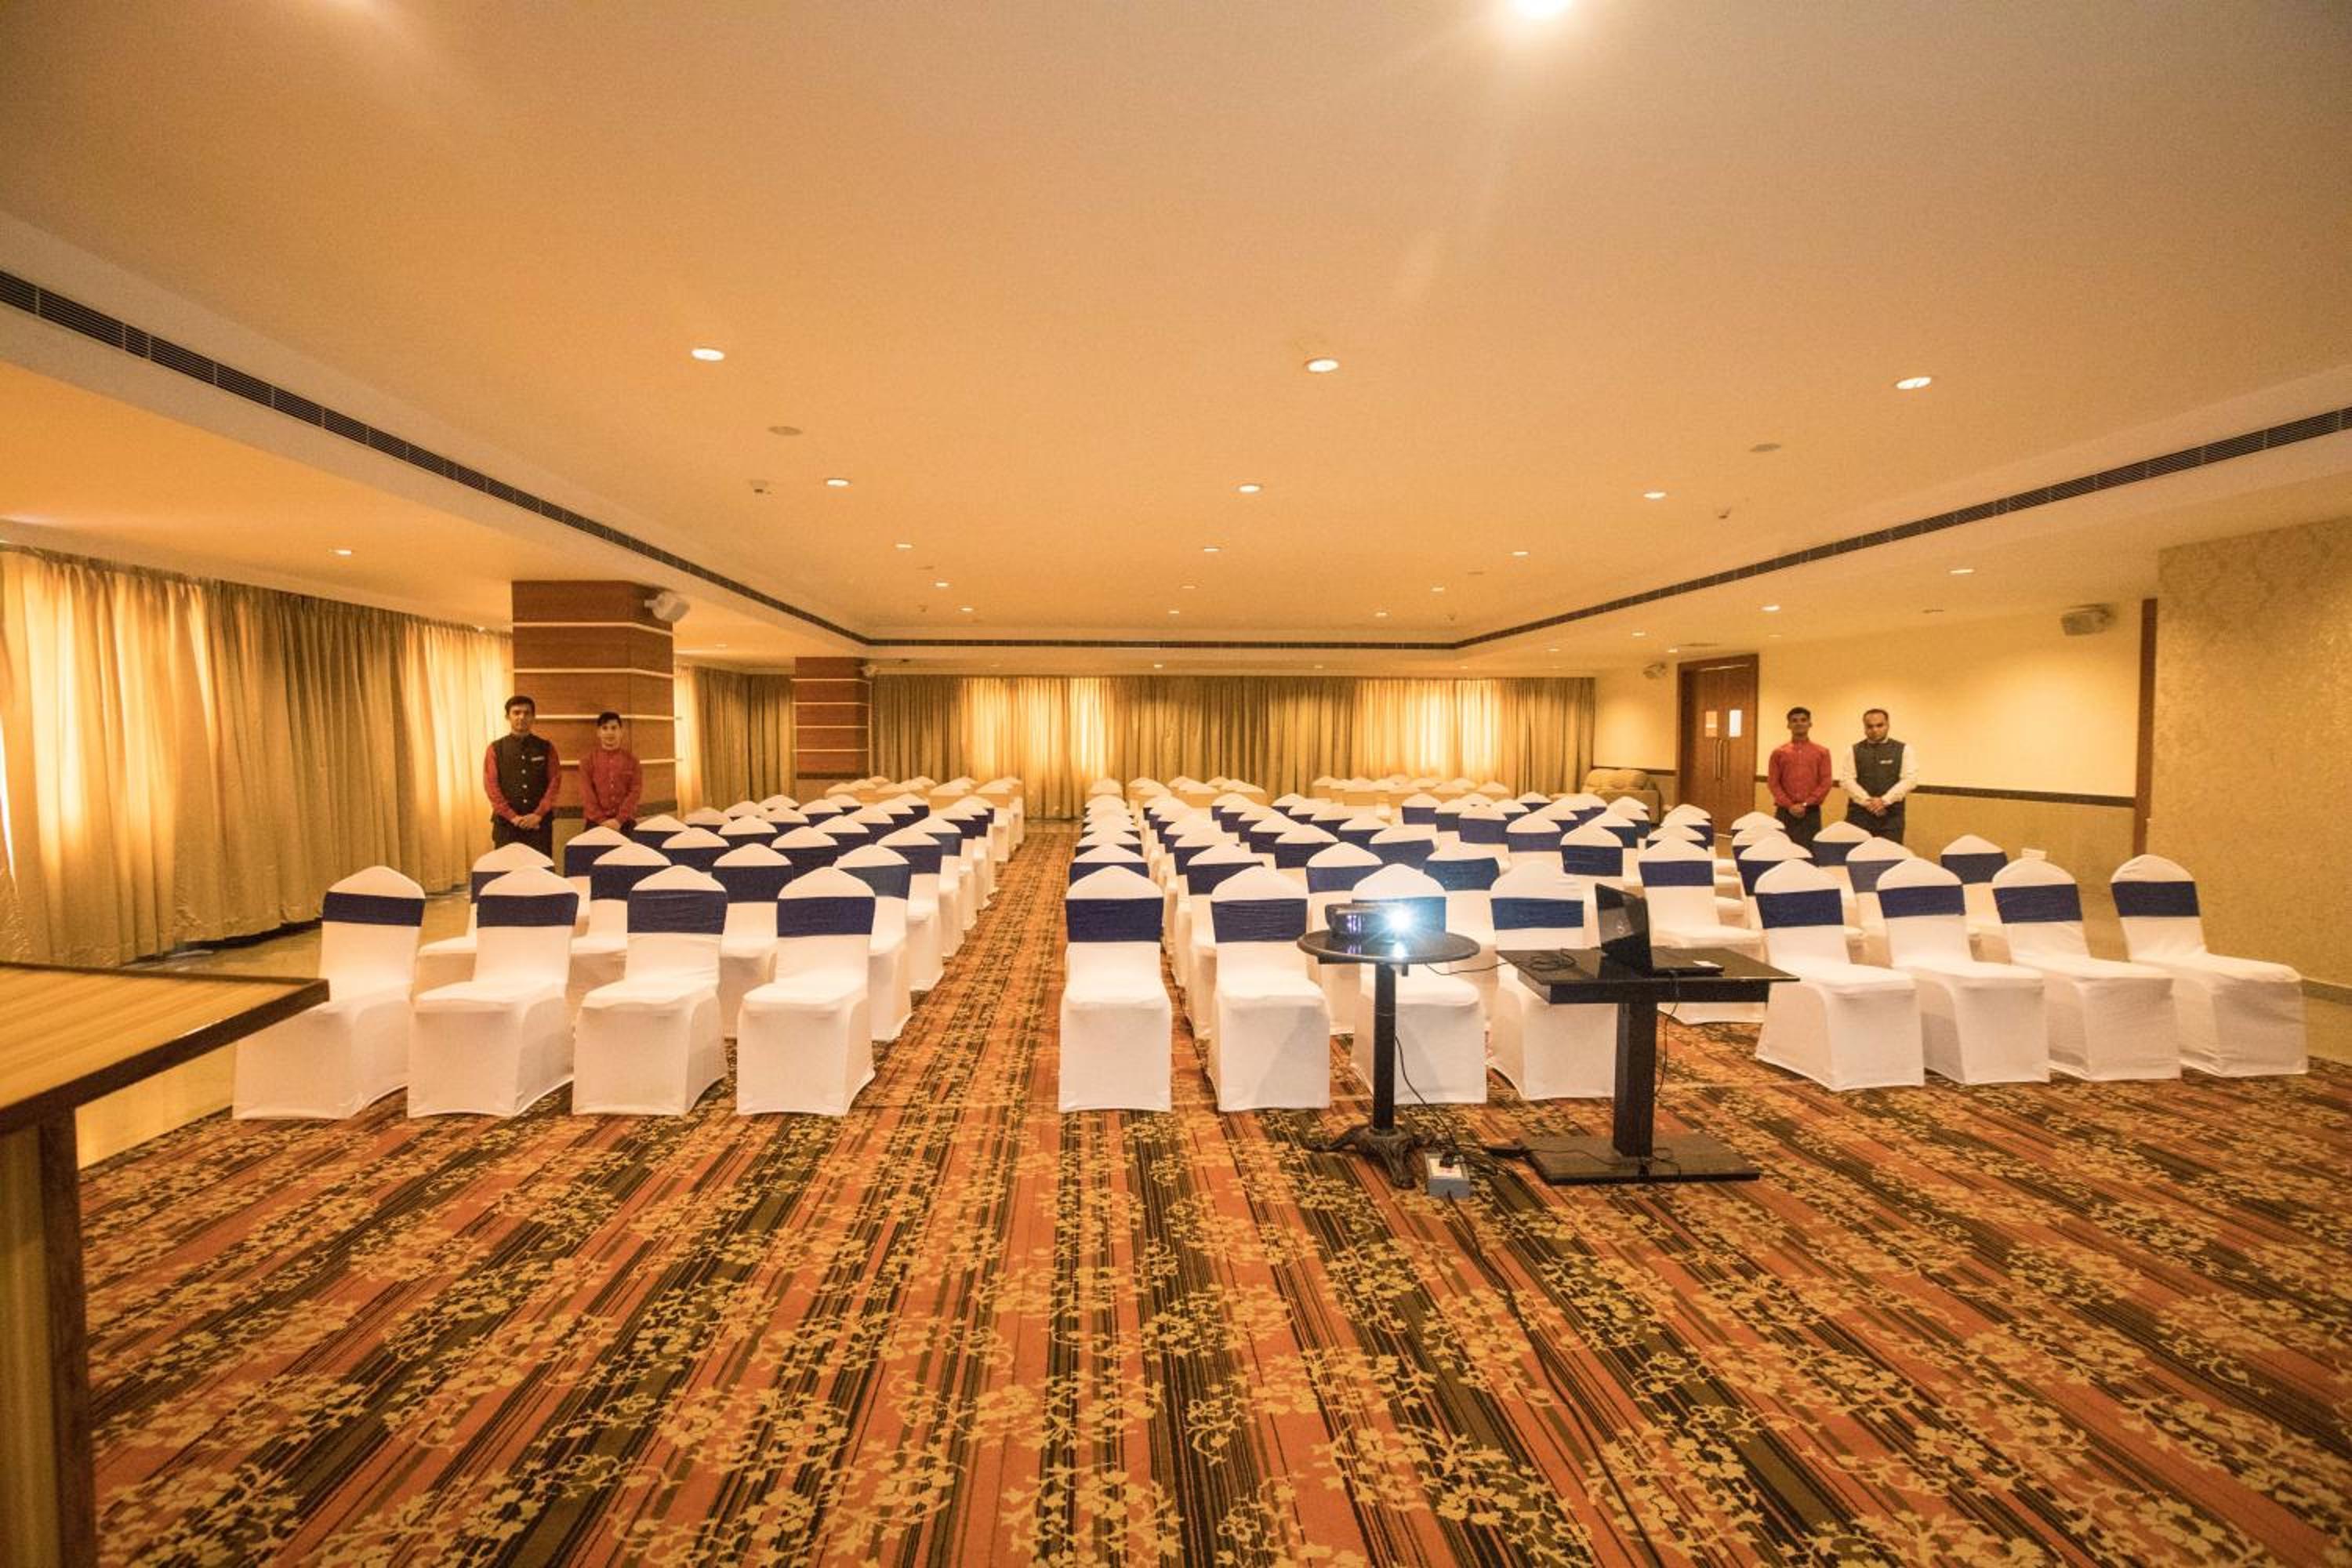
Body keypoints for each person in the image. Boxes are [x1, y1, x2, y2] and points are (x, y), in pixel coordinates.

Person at [484, 694, 560, 856]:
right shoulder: (496, 749)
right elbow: (491, 787)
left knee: (540, 869)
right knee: (506, 870)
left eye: (527, 713)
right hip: (506, 825)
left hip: (539, 825)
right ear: (507, 716)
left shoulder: (546, 747)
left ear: (533, 717)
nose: (522, 717)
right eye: (516, 713)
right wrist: (513, 817)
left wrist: (538, 814)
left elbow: (554, 782)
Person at [1838, 707, 1918, 844]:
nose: (1875, 730)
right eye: (1870, 726)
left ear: (1888, 725)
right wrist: (1868, 802)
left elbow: (1910, 780)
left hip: (1891, 818)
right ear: (1864, 728)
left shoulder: (1904, 749)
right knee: (1857, 855)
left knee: (1890, 855)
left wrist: (1884, 801)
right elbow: (1847, 780)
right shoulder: (1853, 750)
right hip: (1859, 817)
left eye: (1880, 725)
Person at [1766, 706, 1834, 850]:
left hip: (1811, 812)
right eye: (1794, 720)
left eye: (1803, 720)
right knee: (1782, 850)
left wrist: (1806, 804)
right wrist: (1790, 805)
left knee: (1809, 851)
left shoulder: (1822, 752)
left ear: (1810, 724)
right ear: (1788, 725)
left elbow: (1826, 782)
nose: (1799, 723)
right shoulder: (1778, 753)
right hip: (1785, 811)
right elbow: (1773, 783)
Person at [579, 710, 643, 834]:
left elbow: (635, 792)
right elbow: (586, 793)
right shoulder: (587, 760)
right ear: (598, 732)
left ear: (621, 732)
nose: (610, 733)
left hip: (625, 822)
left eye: (614, 728)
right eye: (605, 728)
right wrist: (602, 820)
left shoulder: (632, 760)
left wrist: (619, 820)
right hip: (595, 822)